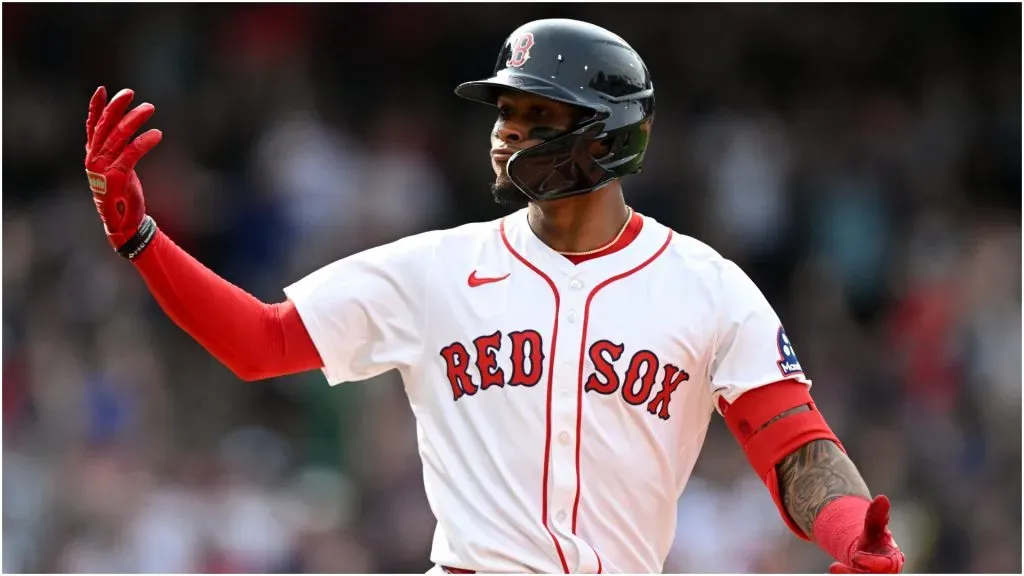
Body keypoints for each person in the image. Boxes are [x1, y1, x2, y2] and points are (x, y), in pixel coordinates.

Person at [82, 18, 904, 575]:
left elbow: (794, 446)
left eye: (537, 113)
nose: (506, 131)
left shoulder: (708, 287)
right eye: (504, 110)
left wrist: (848, 530)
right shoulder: (434, 269)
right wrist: (142, 240)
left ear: (607, 137)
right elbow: (259, 342)